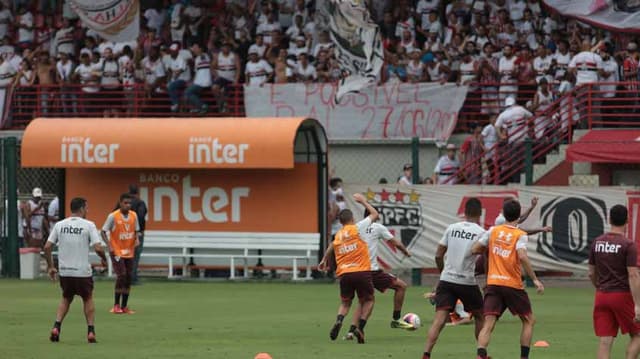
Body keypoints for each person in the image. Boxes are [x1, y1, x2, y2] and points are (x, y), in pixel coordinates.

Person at [471, 199, 545, 359]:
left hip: (493, 283)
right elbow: (523, 257)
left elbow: (475, 249)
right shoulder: (520, 235)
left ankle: (480, 355)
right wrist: (535, 279)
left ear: (504, 214)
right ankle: (524, 357)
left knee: (489, 323)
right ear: (519, 216)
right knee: (528, 320)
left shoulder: (493, 231)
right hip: (512, 284)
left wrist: (492, 250)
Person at [423, 197, 486, 359]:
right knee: (480, 315)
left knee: (439, 319)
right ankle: (481, 353)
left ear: (464, 212)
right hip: (466, 281)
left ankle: (426, 354)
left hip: (447, 280)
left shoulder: (451, 228)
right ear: (480, 213)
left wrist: (443, 273)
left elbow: (438, 255)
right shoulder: (481, 233)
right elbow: (486, 258)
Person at [44, 197, 108, 343]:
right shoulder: (89, 225)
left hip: (65, 271)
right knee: (88, 298)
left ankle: (56, 326)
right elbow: (98, 248)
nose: (88, 210)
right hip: (82, 271)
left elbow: (47, 247)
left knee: (66, 297)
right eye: (87, 207)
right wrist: (104, 258)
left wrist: (51, 266)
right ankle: (91, 331)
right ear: (82, 208)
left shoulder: (60, 225)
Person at [318, 193, 379, 344]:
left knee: (345, 303)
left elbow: (331, 247)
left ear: (340, 222)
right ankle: (360, 326)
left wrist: (324, 259)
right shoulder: (357, 228)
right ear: (352, 219)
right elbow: (375, 214)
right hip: (361, 271)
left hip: (344, 273)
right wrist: (363, 201)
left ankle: (339, 320)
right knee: (369, 299)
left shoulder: (338, 235)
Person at [344, 208, 412, 340]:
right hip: (372, 271)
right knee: (401, 286)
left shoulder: (355, 228)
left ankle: (351, 332)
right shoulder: (377, 227)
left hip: (357, 271)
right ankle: (396, 319)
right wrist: (406, 252)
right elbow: (395, 242)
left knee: (362, 301)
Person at [588, 204, 640, 359]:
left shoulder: (597, 242)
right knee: (637, 335)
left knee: (605, 341)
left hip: (601, 295)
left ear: (609, 219)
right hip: (622, 295)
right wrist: (637, 304)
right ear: (627, 220)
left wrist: (600, 287)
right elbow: (633, 275)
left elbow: (591, 272)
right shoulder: (628, 245)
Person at [101, 193, 141, 314]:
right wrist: (109, 246)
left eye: (129, 203)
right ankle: (116, 305)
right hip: (117, 251)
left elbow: (136, 231)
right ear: (120, 203)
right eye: (125, 203)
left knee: (128, 277)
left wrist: (137, 238)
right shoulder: (113, 216)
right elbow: (103, 231)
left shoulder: (134, 215)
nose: (128, 205)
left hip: (129, 251)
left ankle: (124, 306)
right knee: (121, 275)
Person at [128, 185, 147, 285]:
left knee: (126, 255)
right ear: (137, 192)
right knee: (135, 255)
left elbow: (115, 213)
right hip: (136, 233)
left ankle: (125, 277)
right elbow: (141, 216)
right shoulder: (140, 203)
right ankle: (133, 278)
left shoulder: (124, 202)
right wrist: (139, 229)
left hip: (124, 233)